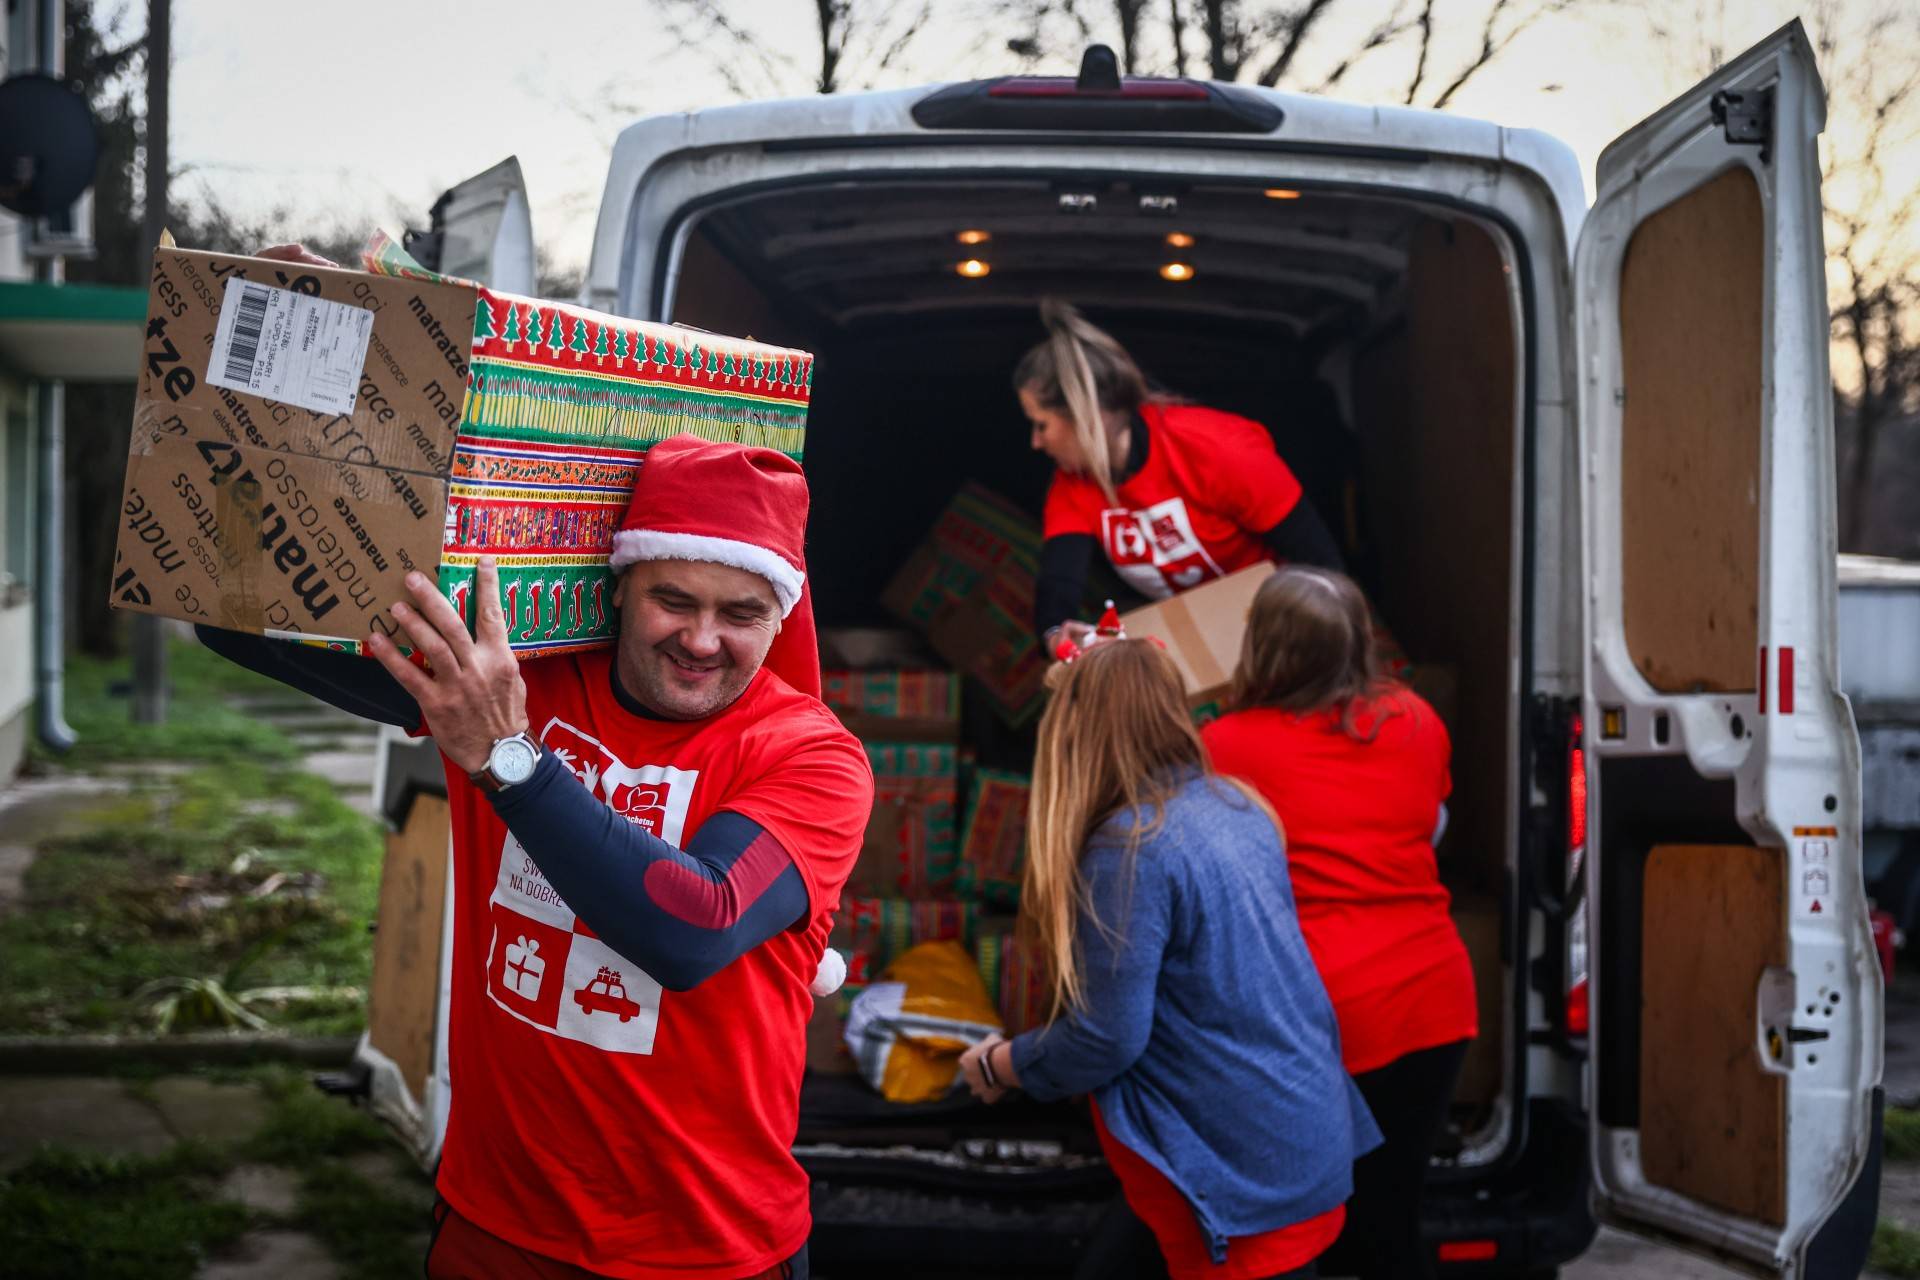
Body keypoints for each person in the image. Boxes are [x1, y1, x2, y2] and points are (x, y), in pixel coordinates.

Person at [198, 262, 872, 1278]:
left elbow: (689, 927)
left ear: (779, 617)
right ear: (620, 582)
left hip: (704, 1249)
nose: (702, 638)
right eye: (673, 599)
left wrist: (510, 758)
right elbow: (234, 616)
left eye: (742, 614)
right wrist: (296, 369)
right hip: (494, 1228)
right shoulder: (520, 681)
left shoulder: (809, 754)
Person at [955, 639, 1380, 1280]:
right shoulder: (1235, 805)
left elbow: (1105, 1038)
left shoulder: (1129, 848)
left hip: (1231, 1177)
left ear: (1074, 732)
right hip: (1290, 1135)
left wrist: (1001, 1063)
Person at [1202, 568, 1476, 1280]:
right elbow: (1431, 827)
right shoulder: (1417, 721)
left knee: (1293, 1234)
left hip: (1314, 1019)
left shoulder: (1227, 746)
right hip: (1430, 1005)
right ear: (1360, 642)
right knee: (1391, 1224)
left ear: (1260, 647)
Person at [1017, 300, 1345, 654]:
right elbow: (1059, 581)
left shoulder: (1218, 449)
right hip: (1190, 638)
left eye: (1042, 425)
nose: (1035, 442)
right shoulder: (1073, 481)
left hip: (1278, 626)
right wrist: (1056, 636)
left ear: (1085, 413)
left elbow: (1323, 564)